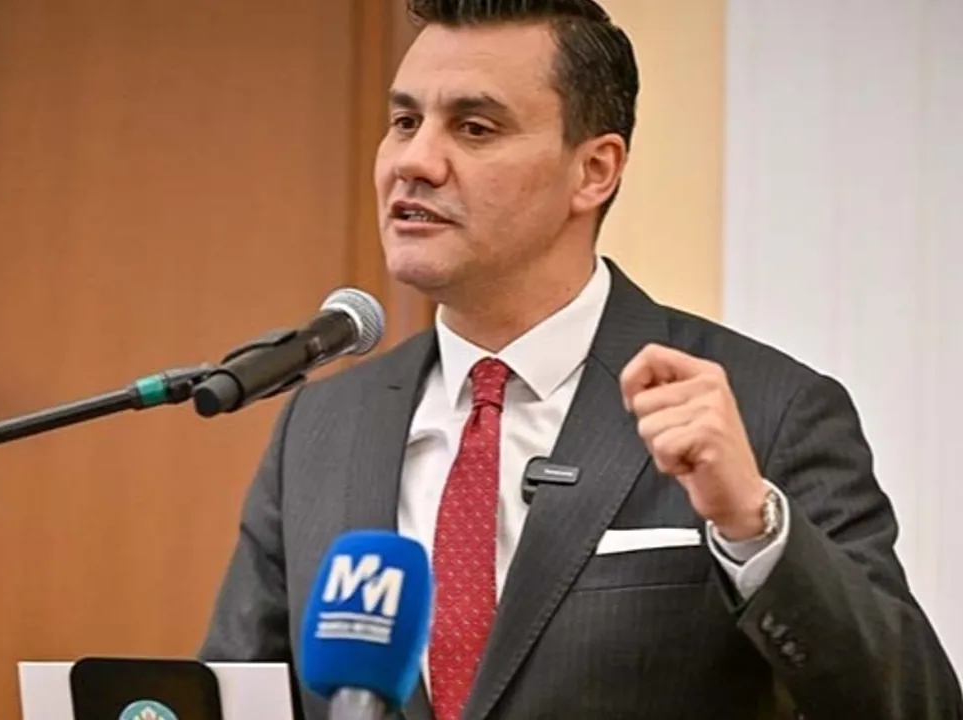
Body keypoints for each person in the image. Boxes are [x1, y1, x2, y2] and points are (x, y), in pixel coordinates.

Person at [198, 1, 963, 718]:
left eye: (474, 128)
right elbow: (237, 693)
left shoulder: (768, 411)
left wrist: (750, 525)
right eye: (404, 121)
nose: (415, 161)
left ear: (594, 170)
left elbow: (917, 703)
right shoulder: (322, 426)